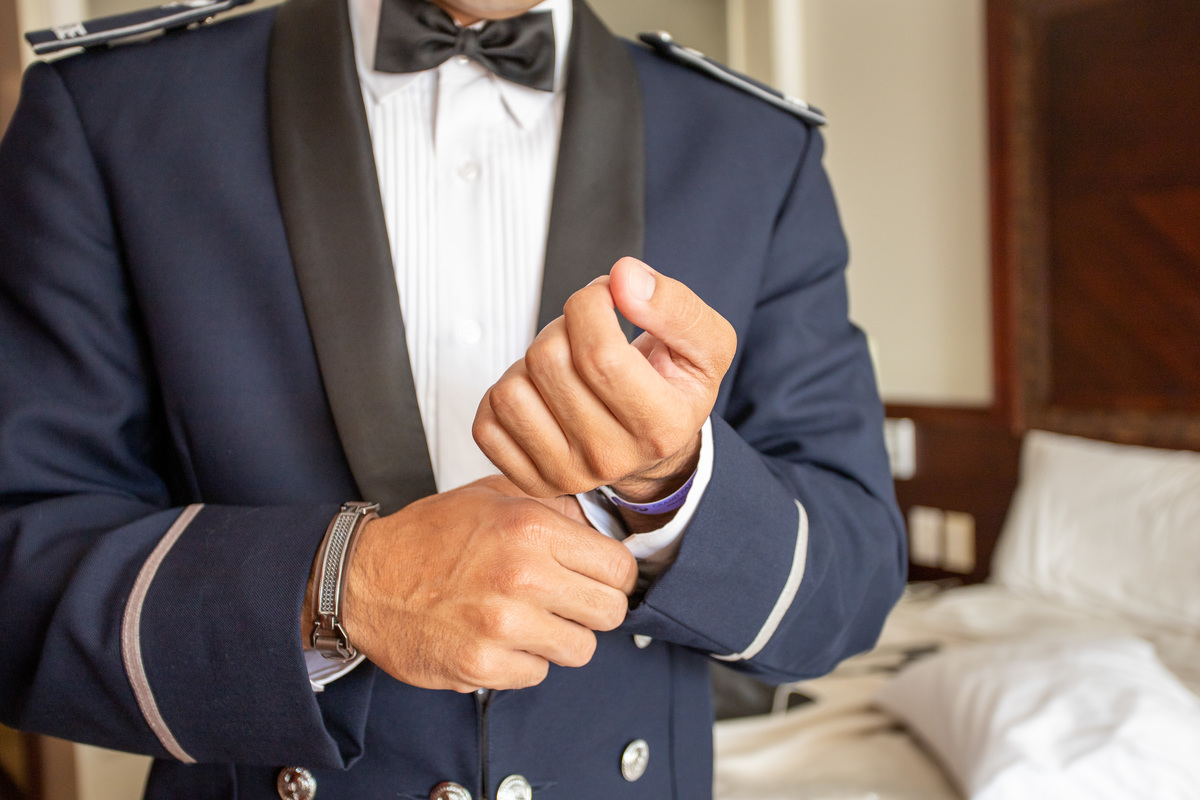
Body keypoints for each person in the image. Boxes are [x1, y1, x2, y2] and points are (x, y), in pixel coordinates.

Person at [0, 0, 906, 797]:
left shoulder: (757, 147)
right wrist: (341, 585)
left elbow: (856, 580)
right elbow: (16, 561)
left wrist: (672, 486)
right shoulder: (111, 109)